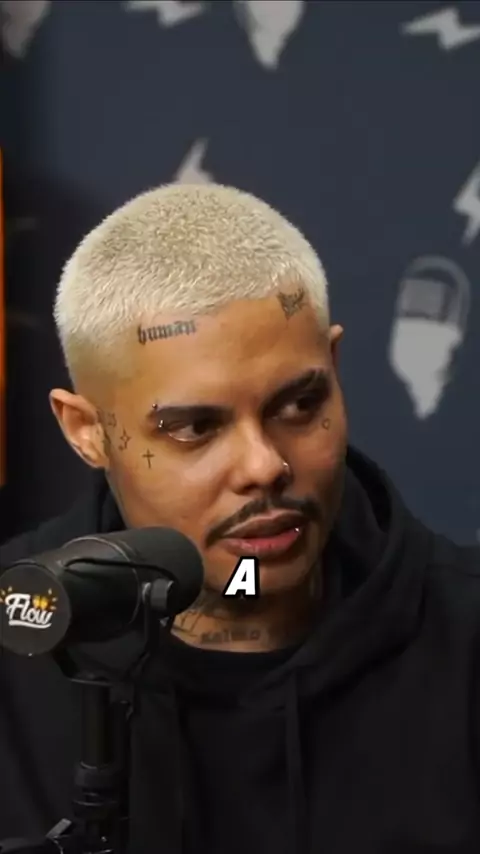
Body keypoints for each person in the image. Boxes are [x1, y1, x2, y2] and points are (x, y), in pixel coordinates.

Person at [0, 183, 479, 854]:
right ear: (88, 432)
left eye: (299, 404)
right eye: (195, 427)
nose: (264, 466)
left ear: (335, 370)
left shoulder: (463, 639)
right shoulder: (18, 644)